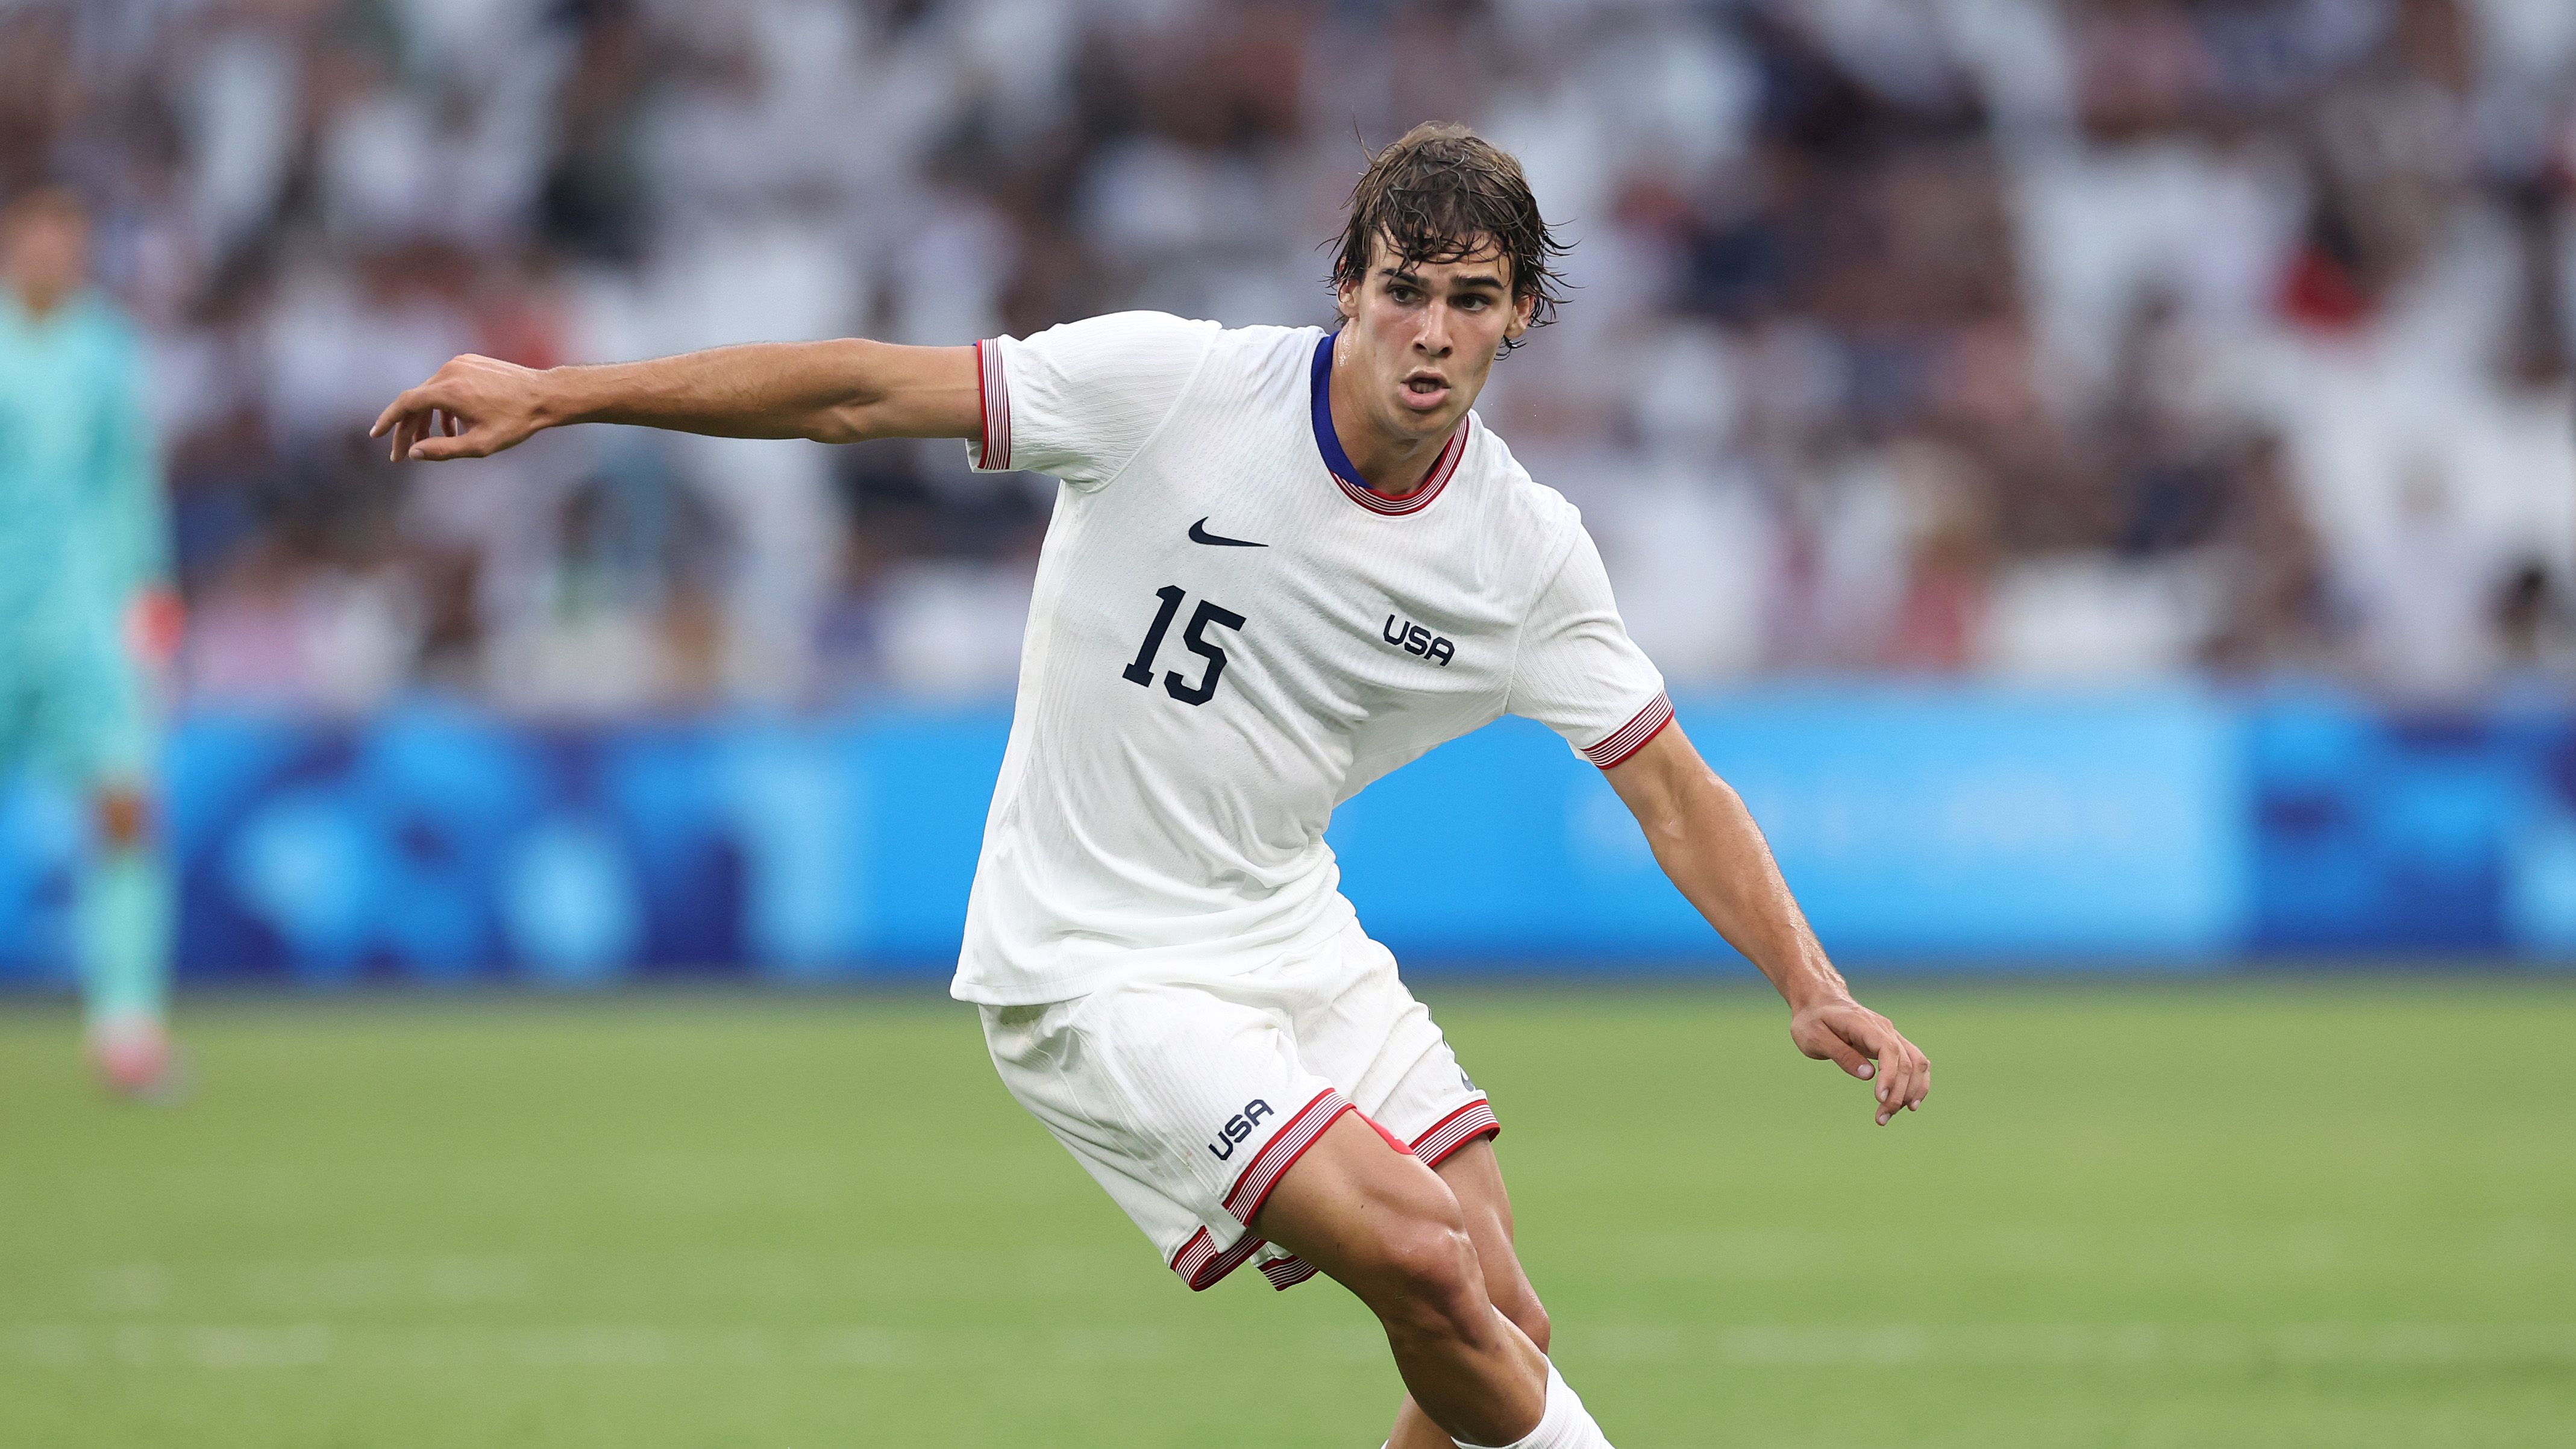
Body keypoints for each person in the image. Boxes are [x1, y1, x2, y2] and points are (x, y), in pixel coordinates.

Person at [373, 122, 1931, 1449]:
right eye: (1403, 291)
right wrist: (564, 392)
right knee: (1424, 1256)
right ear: (1348, 286)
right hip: (1093, 958)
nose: (1431, 333)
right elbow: (855, 392)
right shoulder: (1167, 391)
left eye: (1470, 300)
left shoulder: (1522, 551)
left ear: (1521, 315)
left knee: (1494, 1312)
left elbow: (1670, 784)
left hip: (1286, 931)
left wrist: (1803, 977)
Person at [0, 185, 180, 1098]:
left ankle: (126, 1023)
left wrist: (150, 604)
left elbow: (129, 485)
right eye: (36, 238)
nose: (52, 256)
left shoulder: (108, 351)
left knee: (122, 807)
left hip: (83, 617)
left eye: (67, 241)